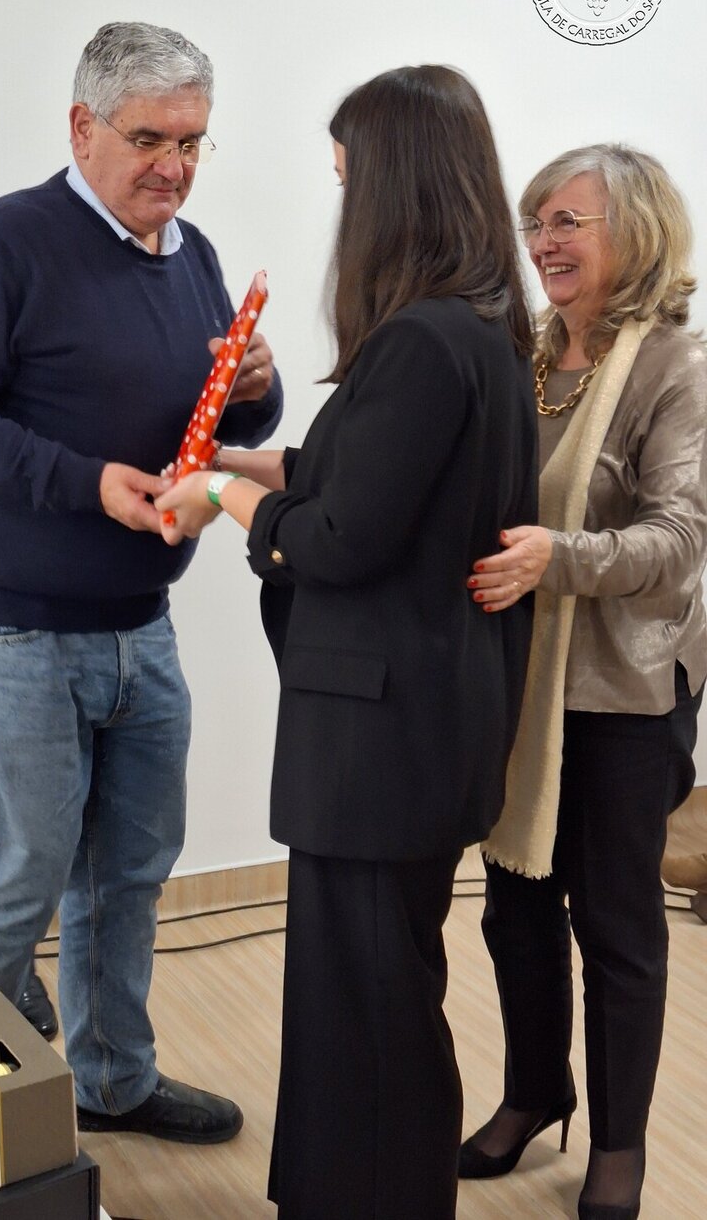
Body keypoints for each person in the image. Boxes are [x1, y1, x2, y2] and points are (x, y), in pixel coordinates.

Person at [158, 64, 537, 1217]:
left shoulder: (420, 340)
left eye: (347, 180)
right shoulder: (477, 329)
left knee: (368, 1004)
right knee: (368, 993)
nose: (343, 209)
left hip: (380, 737)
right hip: (422, 721)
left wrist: (219, 499)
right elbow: (362, 478)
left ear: (394, 185)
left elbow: (340, 538)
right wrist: (236, 461)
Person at [0, 22, 282, 1135]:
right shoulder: (1, 243)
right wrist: (83, 483)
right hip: (8, 628)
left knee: (130, 868)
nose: (174, 165)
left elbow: (215, 426)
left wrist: (253, 388)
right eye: (149, 138)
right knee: (14, 872)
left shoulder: (193, 254)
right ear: (81, 126)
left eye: (192, 141)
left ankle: (113, 1082)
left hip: (137, 619)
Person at [461, 144, 707, 1220]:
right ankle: (533, 1091)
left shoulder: (676, 369)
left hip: (624, 695)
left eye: (568, 221)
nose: (542, 243)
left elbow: (678, 540)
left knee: (615, 930)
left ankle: (617, 1146)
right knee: (513, 910)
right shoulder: (519, 351)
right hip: (515, 679)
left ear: (635, 235)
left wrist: (556, 559)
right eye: (535, 222)